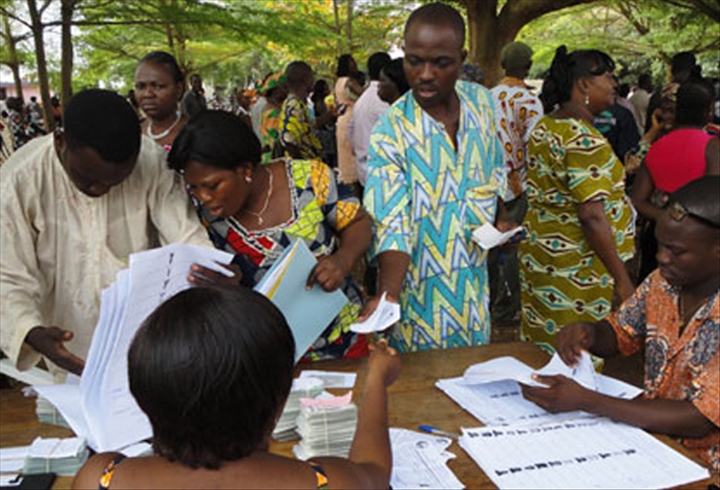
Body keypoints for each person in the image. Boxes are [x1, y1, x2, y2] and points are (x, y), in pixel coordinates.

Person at [0, 89, 235, 379]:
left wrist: (211, 268)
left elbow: (185, 235)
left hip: (147, 339)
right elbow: (6, 275)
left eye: (116, 182)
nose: (100, 190)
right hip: (62, 344)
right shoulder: (19, 180)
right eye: (89, 179)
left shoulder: (150, 161)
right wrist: (30, 331)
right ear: (60, 142)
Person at [72, 286, 401, 489]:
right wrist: (376, 381)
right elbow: (374, 471)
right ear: (278, 402)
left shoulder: (100, 479)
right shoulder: (328, 482)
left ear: (142, 399)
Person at [521, 176, 720, 475]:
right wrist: (588, 333)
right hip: (653, 442)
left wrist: (588, 400)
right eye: (661, 245)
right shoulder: (662, 284)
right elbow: (619, 334)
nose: (661, 257)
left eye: (676, 251)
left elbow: (697, 418)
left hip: (706, 467)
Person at [168, 110, 373, 361]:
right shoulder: (203, 218)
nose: (203, 197)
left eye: (212, 185)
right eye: (194, 187)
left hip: (343, 340)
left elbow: (359, 222)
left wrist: (342, 260)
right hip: (268, 355)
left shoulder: (309, 178)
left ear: (245, 169)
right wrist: (228, 287)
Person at [362, 3, 507, 352]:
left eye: (440, 63)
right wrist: (388, 296)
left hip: (474, 295)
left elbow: (493, 171)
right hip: (419, 308)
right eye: (414, 61)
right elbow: (391, 223)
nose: (425, 74)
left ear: (461, 57)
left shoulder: (482, 104)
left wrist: (501, 221)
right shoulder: (391, 131)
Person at [520, 46, 636, 356]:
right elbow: (591, 215)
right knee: (575, 349)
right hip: (577, 268)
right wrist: (623, 280)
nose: (614, 85)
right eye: (609, 77)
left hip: (544, 257)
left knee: (544, 345)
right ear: (584, 84)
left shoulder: (546, 126)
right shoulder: (584, 139)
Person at [632, 82, 720, 283]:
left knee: (655, 295)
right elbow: (713, 198)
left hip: (658, 235)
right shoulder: (713, 146)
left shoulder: (656, 147)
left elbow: (637, 199)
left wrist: (666, 215)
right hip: (698, 241)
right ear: (708, 112)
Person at [489, 41, 544, 327]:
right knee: (512, 248)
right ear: (528, 67)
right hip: (516, 185)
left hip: (487, 183)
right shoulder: (530, 100)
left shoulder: (486, 96)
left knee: (487, 246)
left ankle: (488, 303)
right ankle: (506, 308)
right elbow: (536, 145)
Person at [350, 52, 391, 188]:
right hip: (381, 174)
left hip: (363, 169)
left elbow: (351, 133)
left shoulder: (362, 99)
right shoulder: (383, 100)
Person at [134, 51, 189, 151]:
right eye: (141, 87)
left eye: (158, 86)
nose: (148, 94)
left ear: (179, 89)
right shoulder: (132, 134)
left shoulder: (195, 134)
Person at [279, 61, 325, 161]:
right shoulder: (293, 104)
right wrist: (302, 165)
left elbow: (307, 128)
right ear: (306, 79)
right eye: (312, 76)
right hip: (304, 170)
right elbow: (289, 140)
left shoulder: (299, 103)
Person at [334, 54, 360, 185]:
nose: (355, 65)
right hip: (352, 118)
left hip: (342, 120)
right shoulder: (350, 82)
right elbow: (363, 95)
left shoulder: (338, 82)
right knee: (354, 158)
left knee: (345, 160)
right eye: (352, 62)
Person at [258, 72, 289, 163]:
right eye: (284, 87)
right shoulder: (273, 112)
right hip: (275, 158)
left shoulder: (271, 107)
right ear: (275, 90)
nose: (288, 91)